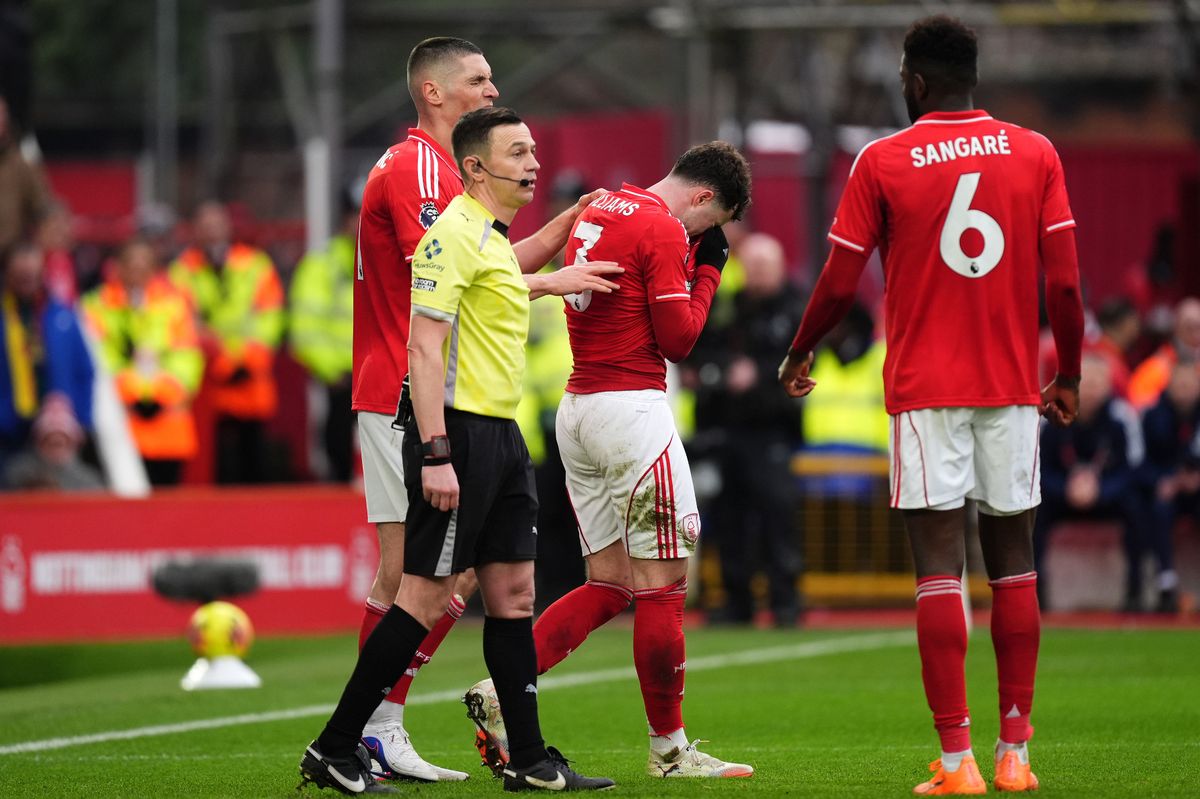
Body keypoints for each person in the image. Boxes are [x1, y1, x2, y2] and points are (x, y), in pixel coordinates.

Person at [777, 16, 1083, 794]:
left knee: (938, 572)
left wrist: (801, 346)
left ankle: (958, 763)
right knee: (1014, 569)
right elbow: (1067, 286)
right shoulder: (1036, 151)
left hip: (925, 394)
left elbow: (841, 281)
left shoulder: (883, 159)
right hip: (1013, 389)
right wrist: (1069, 374)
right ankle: (1016, 754)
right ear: (973, 76)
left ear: (914, 82)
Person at [298, 106, 619, 795]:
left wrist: (563, 232)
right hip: (460, 435)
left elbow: (509, 283)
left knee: (512, 594)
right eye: (518, 153)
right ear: (475, 167)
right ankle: (333, 746)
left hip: (502, 433)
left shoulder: (492, 239)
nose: (532, 163)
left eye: (533, 151)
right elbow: (424, 345)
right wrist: (436, 452)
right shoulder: (449, 236)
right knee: (421, 594)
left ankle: (530, 760)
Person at [466, 141, 755, 779]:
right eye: (712, 224)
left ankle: (499, 690)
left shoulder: (603, 204)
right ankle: (671, 751)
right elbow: (679, 341)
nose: (705, 236)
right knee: (664, 589)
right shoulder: (658, 223)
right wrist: (708, 272)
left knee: (611, 582)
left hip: (580, 409)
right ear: (704, 196)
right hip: (631, 414)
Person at [698, 232, 805, 627]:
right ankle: (736, 600)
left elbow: (802, 361)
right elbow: (703, 347)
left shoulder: (793, 309)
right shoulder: (730, 307)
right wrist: (723, 372)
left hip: (771, 429)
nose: (758, 274)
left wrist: (756, 375)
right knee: (729, 519)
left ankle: (786, 601)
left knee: (777, 517)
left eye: (765, 266)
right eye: (753, 265)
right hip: (727, 429)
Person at [169, 201, 284, 484]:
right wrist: (223, 360)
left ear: (228, 227)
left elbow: (269, 317)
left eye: (216, 224)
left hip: (250, 378)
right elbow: (180, 322)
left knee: (254, 460)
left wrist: (244, 360)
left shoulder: (256, 264)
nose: (211, 232)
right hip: (208, 382)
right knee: (215, 465)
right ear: (195, 230)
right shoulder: (182, 271)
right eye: (205, 226)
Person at [81, 238, 202, 486]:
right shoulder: (95, 306)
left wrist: (157, 395)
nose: (138, 271)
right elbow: (101, 360)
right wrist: (135, 393)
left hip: (168, 427)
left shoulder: (174, 305)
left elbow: (187, 358)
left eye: (145, 265)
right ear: (117, 267)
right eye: (131, 264)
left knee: (167, 512)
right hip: (119, 425)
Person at [1034, 354, 1144, 612]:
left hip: (1107, 496)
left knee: (1138, 507)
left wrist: (1102, 491)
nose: (1092, 390)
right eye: (1086, 382)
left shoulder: (1122, 417)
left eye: (1098, 382)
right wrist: (1066, 489)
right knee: (1033, 509)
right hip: (1062, 496)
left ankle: (1136, 590)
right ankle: (1037, 588)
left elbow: (1133, 468)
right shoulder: (1051, 416)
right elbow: (1038, 467)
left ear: (1108, 385)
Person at [0, 242, 95, 474]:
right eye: (20, 275)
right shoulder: (6, 316)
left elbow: (84, 370)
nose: (27, 282)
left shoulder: (61, 315)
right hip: (8, 429)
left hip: (55, 430)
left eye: (32, 275)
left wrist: (80, 417)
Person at [289, 196, 357, 482]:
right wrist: (331, 370)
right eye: (355, 216)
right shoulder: (322, 263)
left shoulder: (392, 255)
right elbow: (305, 327)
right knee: (337, 443)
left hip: (384, 373)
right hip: (340, 376)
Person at [1135, 360, 1197, 613]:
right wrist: (1163, 481)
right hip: (1164, 490)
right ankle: (1165, 581)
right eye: (1178, 383)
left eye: (1188, 383)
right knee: (1154, 510)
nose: (1183, 388)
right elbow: (1139, 464)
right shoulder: (1152, 415)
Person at [3, 392, 103, 491]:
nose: (56, 446)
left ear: (75, 443)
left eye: (62, 442)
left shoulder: (88, 481)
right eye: (49, 440)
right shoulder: (17, 474)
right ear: (38, 441)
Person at [1128, 297, 1200, 411]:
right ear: (1176, 329)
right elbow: (1138, 402)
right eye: (1189, 328)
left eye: (1199, 327)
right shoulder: (1157, 367)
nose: (1196, 335)